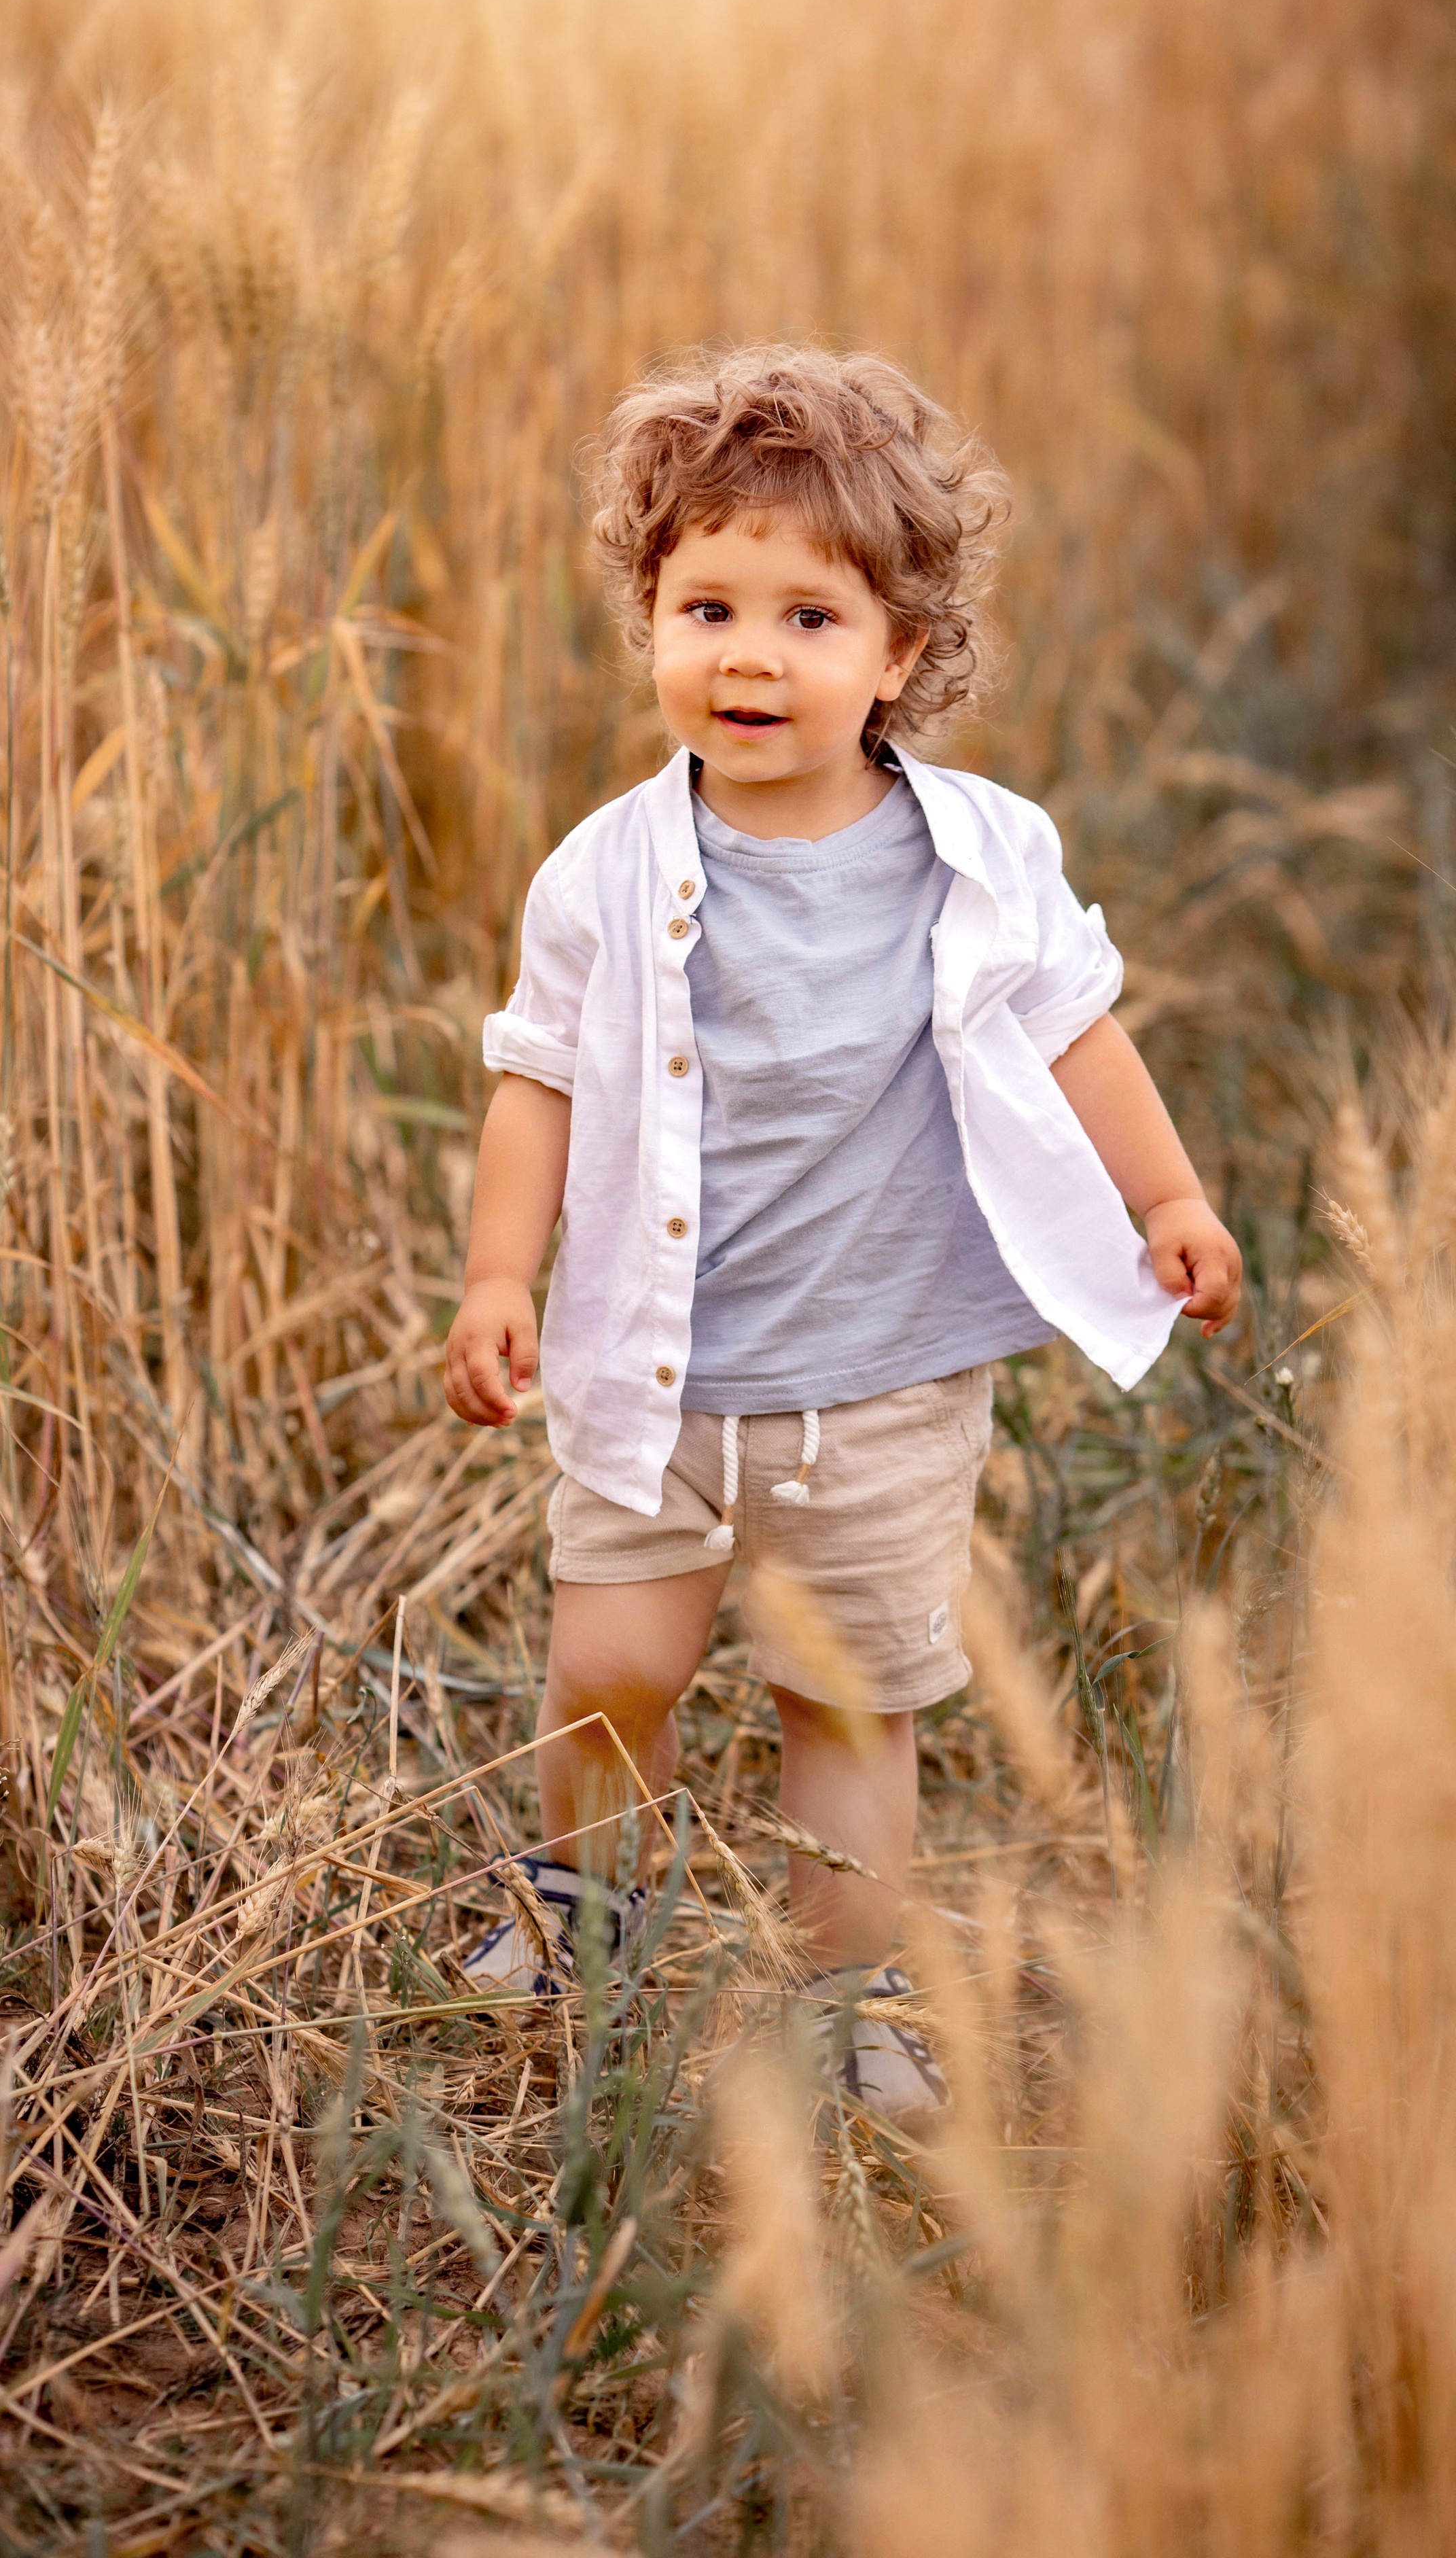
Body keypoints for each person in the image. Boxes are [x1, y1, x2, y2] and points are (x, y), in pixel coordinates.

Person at [440, 346, 1241, 2128]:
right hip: (662, 1367)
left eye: (809, 617)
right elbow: (538, 1084)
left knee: (848, 1706)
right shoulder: (601, 874)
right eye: (705, 602)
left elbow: (1076, 1030)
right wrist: (503, 1275)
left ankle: (843, 1994)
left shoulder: (979, 857)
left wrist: (1166, 1198)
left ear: (901, 656)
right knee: (611, 1664)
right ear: (648, 616)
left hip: (877, 1384)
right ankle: (590, 1909)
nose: (748, 652)